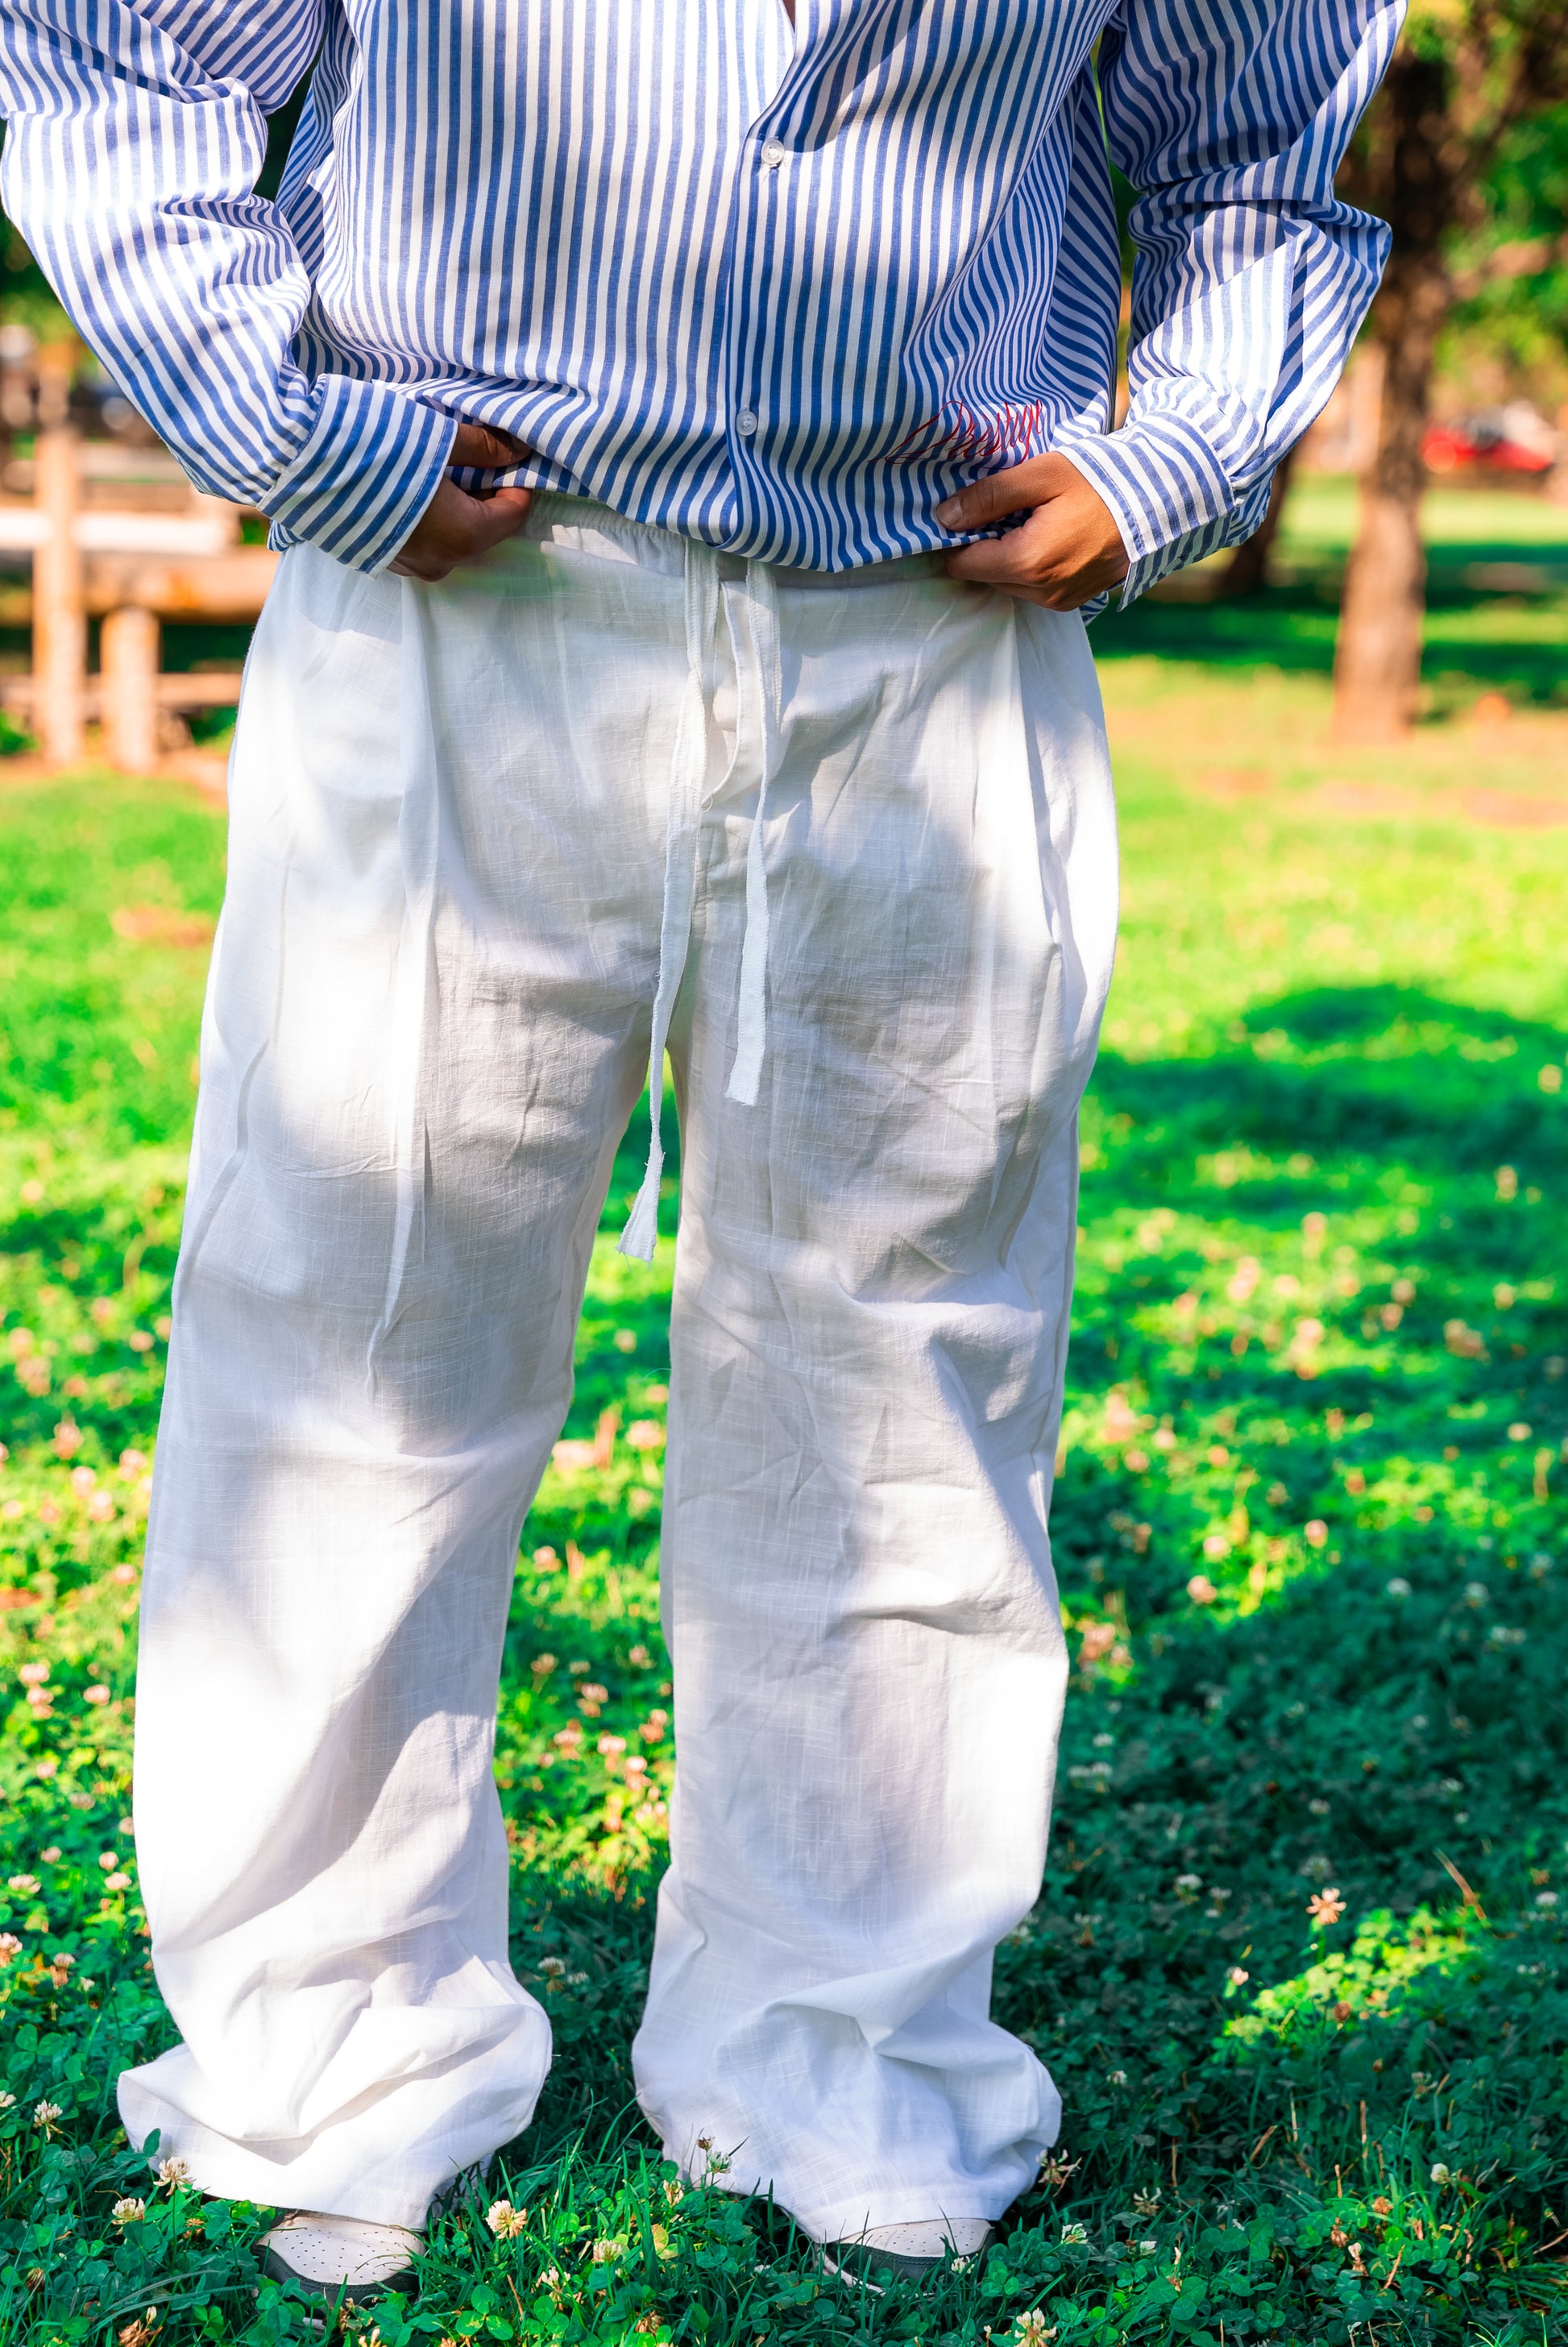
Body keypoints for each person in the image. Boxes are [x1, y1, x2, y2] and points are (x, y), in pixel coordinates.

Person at [0, 0, 1400, 2303]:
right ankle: (328, 2048)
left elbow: (1258, 140)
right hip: (466, 582)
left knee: (905, 1373)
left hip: (925, 614)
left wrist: (1175, 455)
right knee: (355, 1334)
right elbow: (116, 49)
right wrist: (284, 419)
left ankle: (845, 2046)